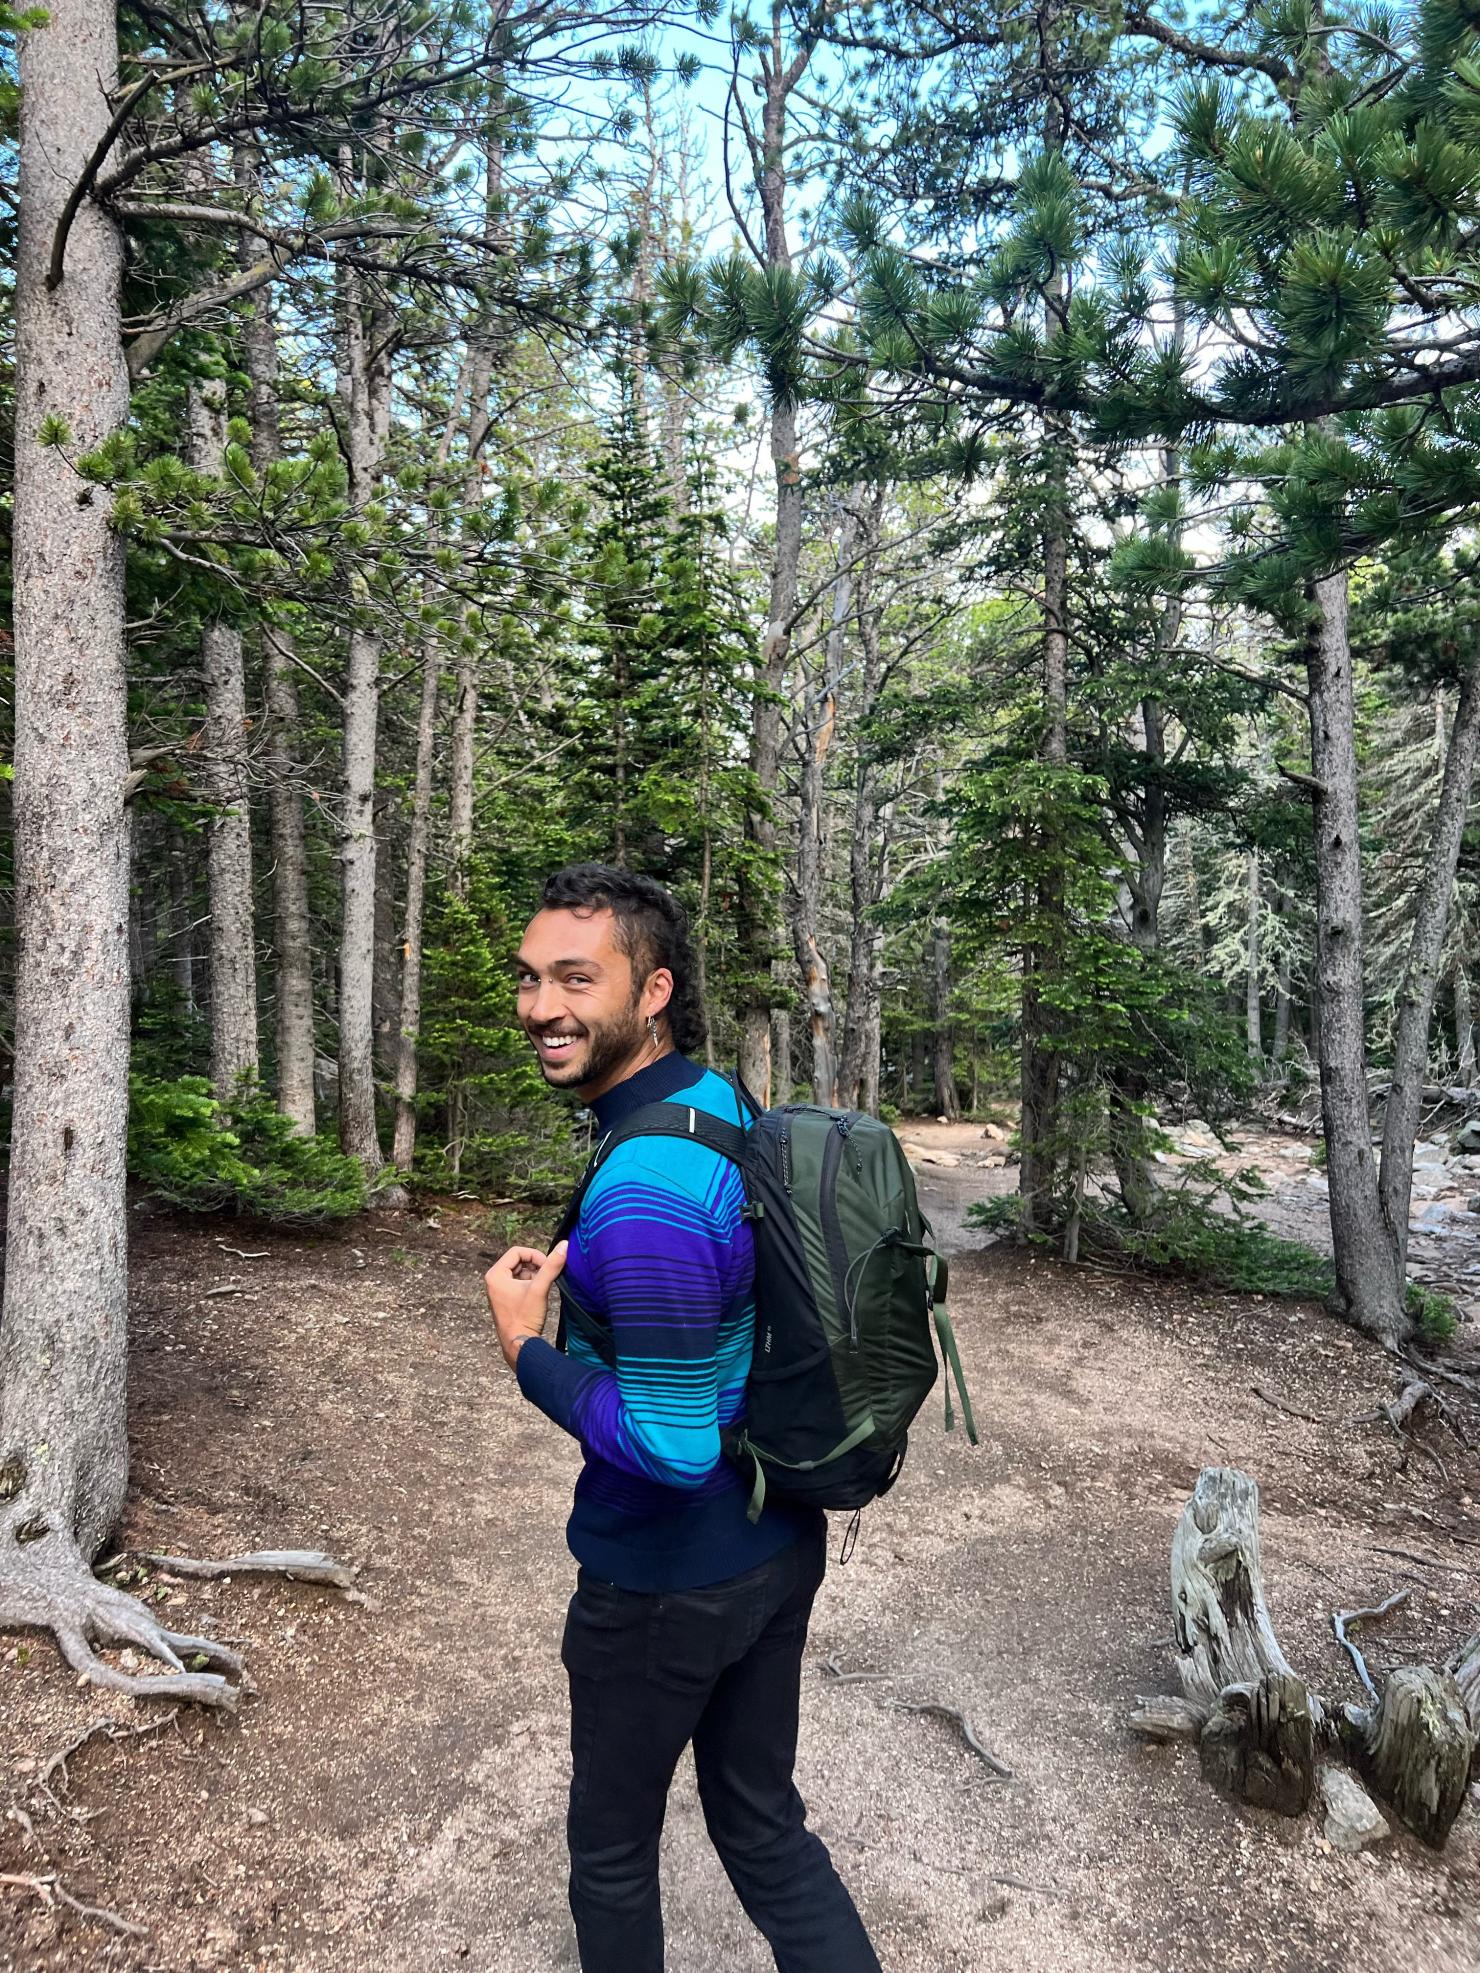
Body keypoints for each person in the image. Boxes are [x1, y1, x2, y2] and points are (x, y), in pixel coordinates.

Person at [483, 863, 882, 1973]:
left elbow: (669, 1444)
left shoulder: (646, 1185)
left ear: (651, 992)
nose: (540, 1006)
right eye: (529, 978)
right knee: (763, 1827)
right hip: (773, 1535)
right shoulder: (712, 1101)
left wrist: (526, 1347)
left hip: (668, 1576)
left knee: (610, 1852)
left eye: (575, 977)